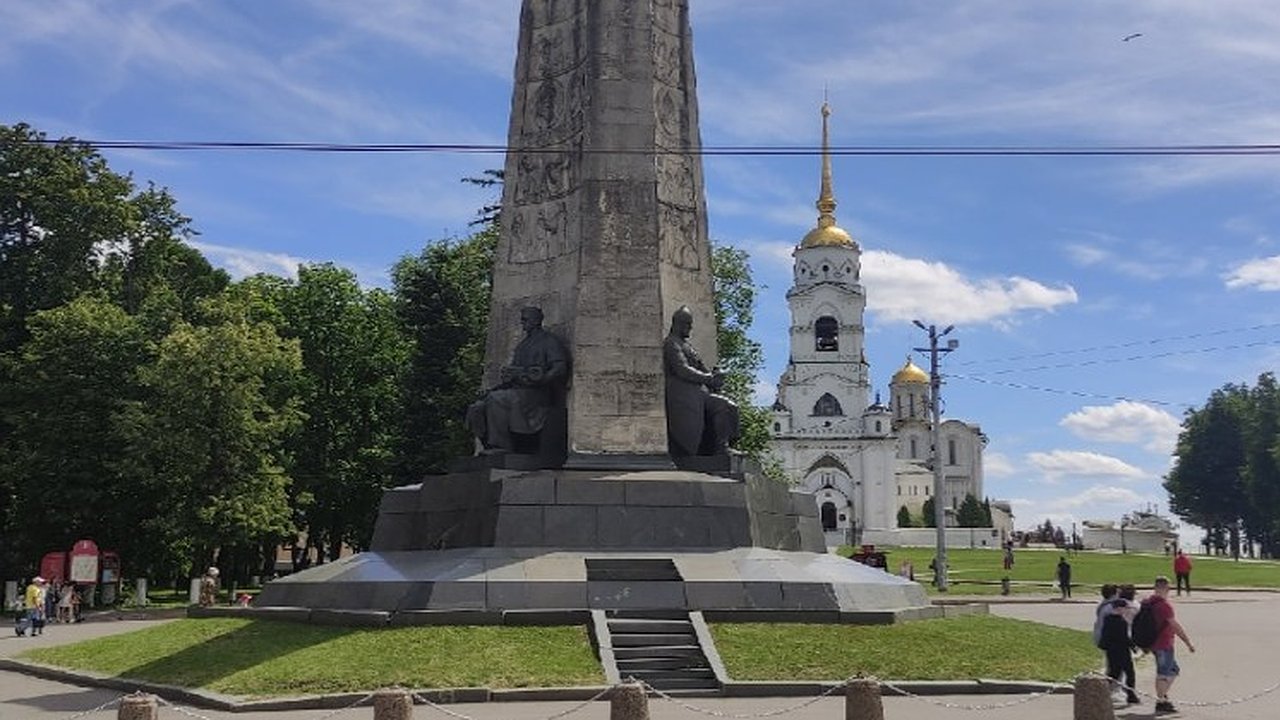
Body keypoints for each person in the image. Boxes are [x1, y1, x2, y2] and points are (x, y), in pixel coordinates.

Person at [466, 306, 569, 453]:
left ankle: (502, 445)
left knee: (497, 399)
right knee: (477, 407)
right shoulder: (522, 345)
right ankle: (489, 446)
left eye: (525, 319)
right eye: (522, 319)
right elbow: (513, 375)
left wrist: (541, 380)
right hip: (518, 390)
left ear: (536, 321)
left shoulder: (549, 341)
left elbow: (559, 367)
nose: (522, 323)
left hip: (536, 394)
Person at [663, 305, 739, 456]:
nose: (689, 329)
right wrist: (709, 379)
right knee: (722, 405)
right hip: (685, 395)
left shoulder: (687, 346)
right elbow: (682, 369)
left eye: (690, 326)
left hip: (700, 393)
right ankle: (720, 448)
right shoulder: (672, 343)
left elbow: (701, 368)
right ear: (678, 324)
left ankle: (725, 445)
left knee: (732, 406)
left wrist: (716, 376)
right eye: (687, 325)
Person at [1143, 576, 1195, 714]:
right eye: (1169, 588)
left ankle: (1162, 696)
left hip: (1154, 643)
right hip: (1163, 643)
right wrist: (1187, 642)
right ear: (1165, 588)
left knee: (1173, 670)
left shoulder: (1148, 602)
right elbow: (1175, 626)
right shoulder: (1164, 606)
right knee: (1163, 673)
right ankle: (1160, 701)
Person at [1098, 584, 1140, 705]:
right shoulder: (1120, 622)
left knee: (1113, 673)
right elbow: (1124, 637)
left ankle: (1103, 694)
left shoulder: (1108, 619)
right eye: (1124, 608)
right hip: (1122, 651)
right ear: (1120, 609)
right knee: (1129, 672)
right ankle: (1131, 694)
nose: (1126, 610)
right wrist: (1133, 646)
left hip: (1111, 650)